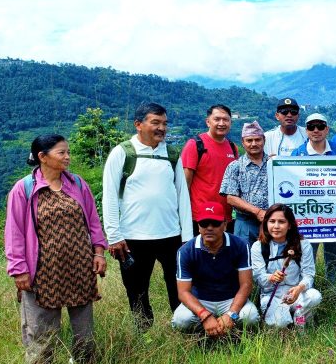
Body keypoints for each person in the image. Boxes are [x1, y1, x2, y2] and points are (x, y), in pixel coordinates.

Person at [5, 135, 108, 364]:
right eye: (61, 153)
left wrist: (99, 252)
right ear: (42, 157)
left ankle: (85, 361)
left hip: (79, 265)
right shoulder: (24, 189)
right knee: (40, 322)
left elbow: (93, 222)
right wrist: (19, 268)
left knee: (83, 318)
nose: (67, 157)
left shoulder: (78, 185)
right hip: (42, 268)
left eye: (68, 152)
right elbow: (14, 232)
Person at [102, 102, 192, 330]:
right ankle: (144, 335)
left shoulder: (171, 154)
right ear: (138, 124)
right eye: (156, 122)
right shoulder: (123, 153)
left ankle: (185, 328)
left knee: (179, 287)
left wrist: (187, 237)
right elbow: (110, 196)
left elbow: (182, 196)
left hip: (172, 236)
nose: (162, 128)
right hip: (133, 238)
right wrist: (113, 236)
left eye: (164, 123)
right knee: (136, 290)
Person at [171, 203, 260, 336]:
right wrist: (205, 315)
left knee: (250, 317)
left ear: (225, 224)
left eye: (215, 223)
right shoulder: (185, 251)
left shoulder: (241, 245)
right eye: (204, 223)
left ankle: (233, 333)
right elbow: (183, 292)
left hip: (231, 298)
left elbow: (246, 285)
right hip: (200, 299)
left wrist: (231, 314)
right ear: (198, 226)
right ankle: (205, 334)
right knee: (181, 320)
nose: (209, 228)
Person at [290, 113, 336, 287]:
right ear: (306, 131)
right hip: (308, 218)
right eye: (311, 127)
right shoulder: (297, 154)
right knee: (307, 258)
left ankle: (335, 294)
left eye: (320, 126)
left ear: (327, 129)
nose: (316, 130)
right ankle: (307, 293)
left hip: (333, 216)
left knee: (335, 258)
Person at [251, 204, 322, 329]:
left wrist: (299, 288)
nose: (276, 226)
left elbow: (309, 275)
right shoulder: (258, 246)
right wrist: (271, 278)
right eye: (272, 221)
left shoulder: (303, 244)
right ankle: (285, 321)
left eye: (282, 222)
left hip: (297, 294)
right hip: (272, 296)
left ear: (289, 225)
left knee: (314, 296)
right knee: (280, 324)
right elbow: (258, 276)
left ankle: (300, 320)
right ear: (266, 223)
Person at [181, 104, 239, 234]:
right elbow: (184, 185)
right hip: (200, 218)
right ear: (208, 122)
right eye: (217, 119)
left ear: (231, 122)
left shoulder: (232, 147)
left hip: (225, 218)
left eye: (226, 120)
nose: (221, 123)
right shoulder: (195, 145)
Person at [220, 121, 269, 245]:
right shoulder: (235, 166)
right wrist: (257, 211)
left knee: (274, 260)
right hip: (245, 223)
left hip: (272, 222)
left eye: (257, 139)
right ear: (243, 142)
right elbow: (230, 198)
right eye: (249, 140)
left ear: (264, 140)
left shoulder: (274, 163)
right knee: (245, 259)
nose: (254, 144)